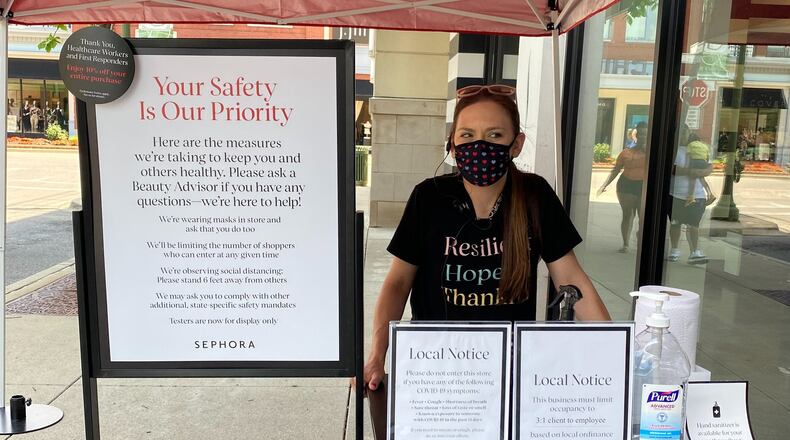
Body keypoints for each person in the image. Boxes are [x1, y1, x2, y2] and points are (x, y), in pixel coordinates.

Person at [363, 84, 611, 391]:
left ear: (516, 144)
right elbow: (398, 283)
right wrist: (377, 354)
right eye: (467, 135)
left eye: (495, 135)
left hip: (505, 369)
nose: (479, 145)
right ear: (452, 145)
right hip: (432, 367)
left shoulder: (535, 195)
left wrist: (613, 353)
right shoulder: (429, 197)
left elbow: (572, 280)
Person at [597, 121, 648, 253]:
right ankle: (625, 243)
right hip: (626, 185)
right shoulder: (626, 152)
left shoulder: (652, 152)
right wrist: (604, 185)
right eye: (640, 134)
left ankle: (640, 237)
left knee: (643, 216)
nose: (642, 136)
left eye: (645, 134)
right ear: (635, 135)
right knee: (627, 215)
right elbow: (616, 170)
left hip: (643, 186)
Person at [668, 126, 712, 264]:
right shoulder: (673, 151)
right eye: (680, 134)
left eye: (685, 133)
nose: (683, 136)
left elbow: (709, 166)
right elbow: (672, 169)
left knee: (694, 225)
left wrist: (701, 172)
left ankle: (695, 252)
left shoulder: (697, 148)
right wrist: (690, 171)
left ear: (689, 134)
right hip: (676, 194)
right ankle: (674, 250)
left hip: (697, 195)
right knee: (675, 223)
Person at [685, 133, 716, 207]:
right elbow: (707, 157)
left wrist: (688, 166)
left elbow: (688, 156)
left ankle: (690, 197)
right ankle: (710, 194)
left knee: (692, 177)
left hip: (695, 161)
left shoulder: (690, 145)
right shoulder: (704, 145)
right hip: (703, 162)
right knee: (702, 178)